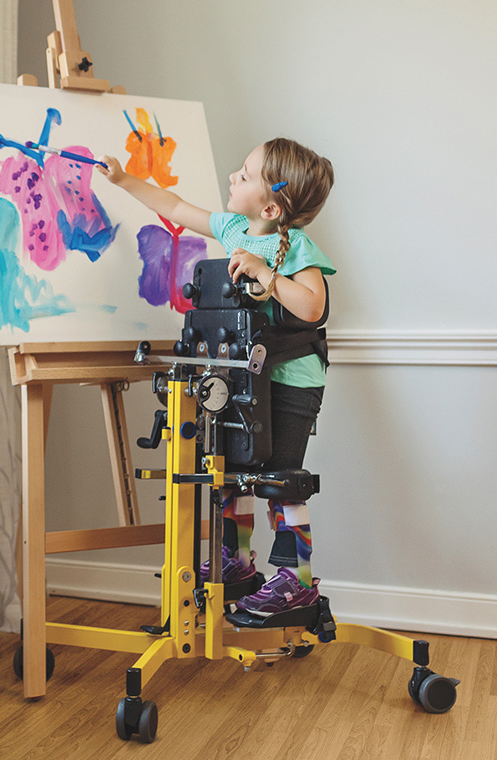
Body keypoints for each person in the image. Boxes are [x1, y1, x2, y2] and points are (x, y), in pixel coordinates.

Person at [97, 138, 335, 616]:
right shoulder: (231, 228)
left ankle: (297, 579)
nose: (233, 177)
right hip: (242, 376)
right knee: (229, 475)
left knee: (278, 480)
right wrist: (123, 179)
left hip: (290, 382)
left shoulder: (298, 248)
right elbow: (174, 205)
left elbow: (314, 306)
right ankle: (238, 562)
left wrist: (266, 273)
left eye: (244, 175)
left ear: (271, 204)